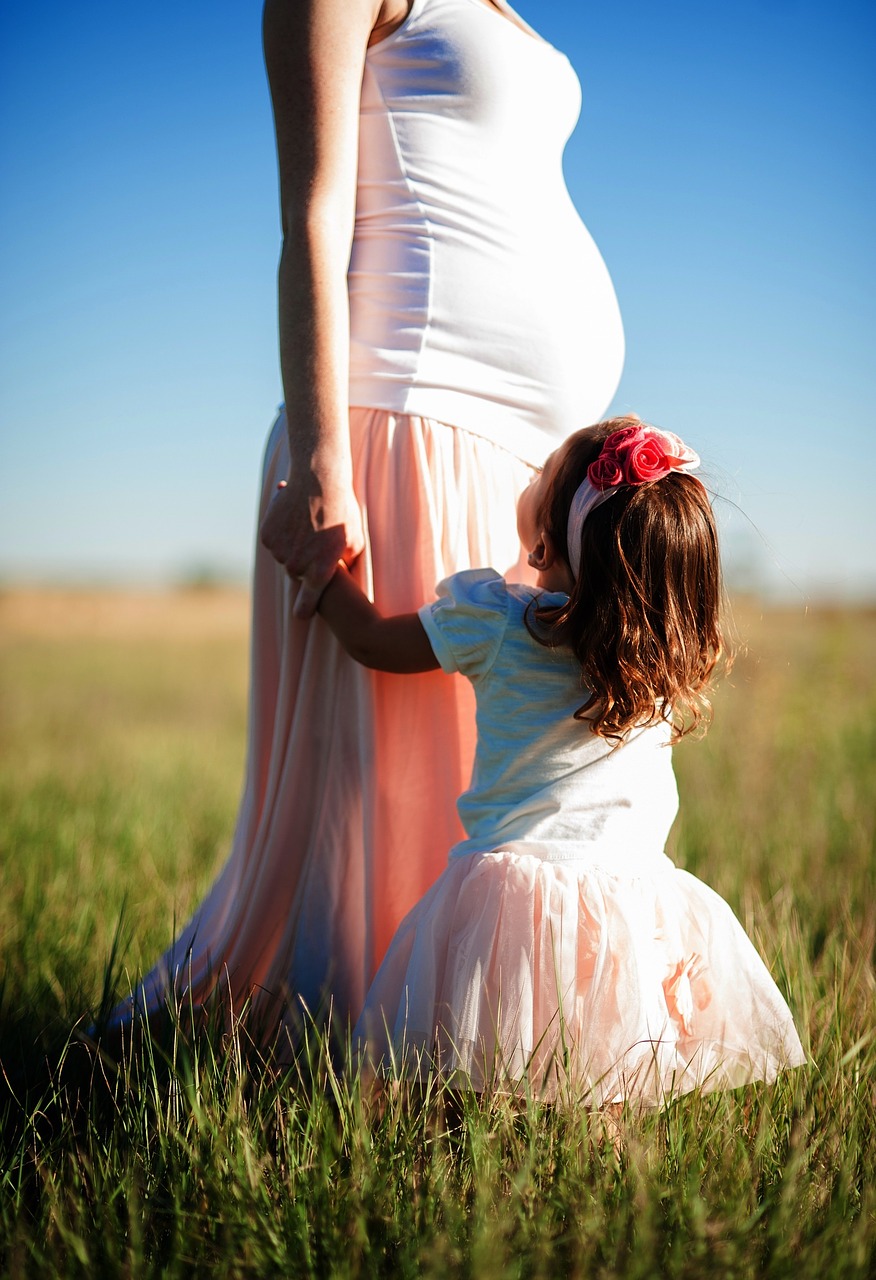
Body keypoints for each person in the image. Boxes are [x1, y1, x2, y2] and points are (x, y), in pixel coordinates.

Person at [104, 0, 625, 1042]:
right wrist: (323, 454)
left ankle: (465, 1039)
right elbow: (314, 212)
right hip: (402, 420)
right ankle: (347, 1052)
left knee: (504, 783)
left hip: (521, 463)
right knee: (391, 784)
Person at [315, 419, 807, 1102]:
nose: (531, 478)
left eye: (541, 473)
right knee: (611, 1072)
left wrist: (318, 573)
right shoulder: (659, 663)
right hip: (630, 904)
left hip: (511, 904)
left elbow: (370, 641)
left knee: (482, 1065)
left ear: (545, 541)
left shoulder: (496, 624)